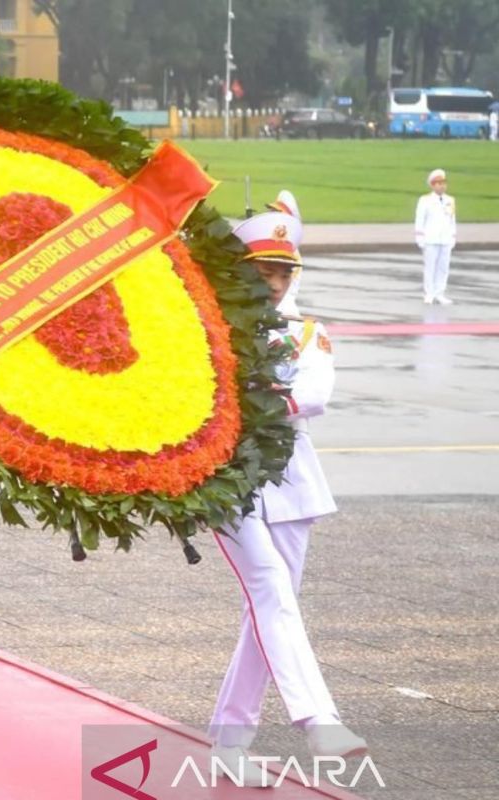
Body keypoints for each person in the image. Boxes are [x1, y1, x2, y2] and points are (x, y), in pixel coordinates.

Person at [209, 207, 368, 786]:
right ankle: (318, 717)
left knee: (270, 613)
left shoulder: (307, 332)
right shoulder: (209, 328)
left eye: (281, 270)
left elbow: (314, 394)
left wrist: (243, 397)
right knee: (270, 590)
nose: (272, 280)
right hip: (226, 478)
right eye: (261, 268)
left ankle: (230, 738)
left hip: (292, 479)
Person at [414, 169, 456, 305]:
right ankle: (429, 293)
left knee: (443, 267)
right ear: (432, 185)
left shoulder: (450, 200)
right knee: (430, 267)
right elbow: (419, 220)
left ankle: (440, 293)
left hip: (445, 239)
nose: (442, 186)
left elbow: (452, 220)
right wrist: (419, 238)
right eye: (438, 183)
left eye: (443, 183)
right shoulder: (425, 200)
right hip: (430, 238)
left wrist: (453, 237)